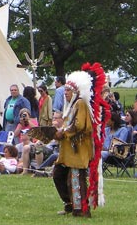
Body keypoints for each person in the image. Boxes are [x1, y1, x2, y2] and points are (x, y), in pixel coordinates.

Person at [53, 72, 94, 218]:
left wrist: (63, 132)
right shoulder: (71, 105)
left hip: (78, 149)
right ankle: (70, 204)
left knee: (76, 178)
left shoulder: (80, 103)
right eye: (65, 90)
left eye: (68, 90)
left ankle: (81, 210)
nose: (65, 93)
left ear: (76, 91)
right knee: (58, 174)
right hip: (68, 150)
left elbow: (79, 125)